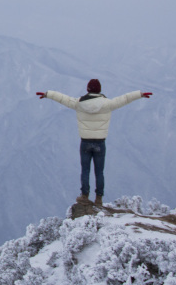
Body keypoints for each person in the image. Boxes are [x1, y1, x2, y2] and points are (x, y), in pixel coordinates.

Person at [36, 79, 152, 207]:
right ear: (100, 90)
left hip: (85, 142)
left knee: (85, 170)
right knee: (99, 172)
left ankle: (85, 196)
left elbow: (63, 98)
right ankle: (99, 199)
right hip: (100, 143)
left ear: (88, 89)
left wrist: (48, 94)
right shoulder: (108, 104)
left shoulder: (79, 103)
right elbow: (124, 99)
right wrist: (139, 94)